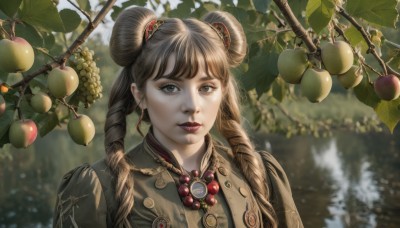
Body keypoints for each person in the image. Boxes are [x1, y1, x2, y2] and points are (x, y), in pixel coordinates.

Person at [53, 6, 303, 228]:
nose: (192, 106)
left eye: (206, 88)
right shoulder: (100, 187)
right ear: (140, 95)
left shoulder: (257, 174)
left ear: (223, 92)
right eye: (170, 87)